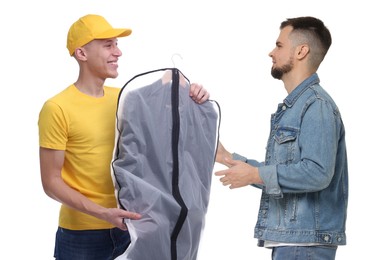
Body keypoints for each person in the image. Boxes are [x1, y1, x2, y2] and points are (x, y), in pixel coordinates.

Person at [38, 14, 210, 260]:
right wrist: (103, 213)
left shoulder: (126, 99)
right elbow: (51, 182)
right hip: (81, 236)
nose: (118, 53)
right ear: (82, 54)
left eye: (117, 45)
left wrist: (192, 95)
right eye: (108, 45)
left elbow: (173, 133)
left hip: (133, 228)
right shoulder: (57, 108)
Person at [215, 16, 348, 260]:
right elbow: (284, 173)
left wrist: (255, 175)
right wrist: (226, 157)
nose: (271, 52)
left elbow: (317, 173)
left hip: (304, 244)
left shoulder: (316, 105)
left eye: (278, 45)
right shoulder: (296, 107)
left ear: (301, 51)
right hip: (294, 242)